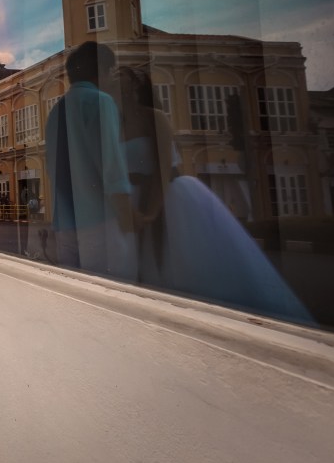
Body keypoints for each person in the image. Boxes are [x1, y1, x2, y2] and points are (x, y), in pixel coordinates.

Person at [112, 66, 312, 322]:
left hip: (168, 198)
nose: (114, 79)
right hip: (132, 200)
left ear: (135, 87)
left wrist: (150, 212)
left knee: (187, 267)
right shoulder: (114, 124)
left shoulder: (155, 118)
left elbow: (163, 169)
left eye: (121, 76)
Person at [45, 41, 136, 279]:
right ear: (102, 71)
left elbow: (51, 168)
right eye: (112, 72)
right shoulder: (101, 102)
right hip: (98, 222)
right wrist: (129, 223)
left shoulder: (55, 111)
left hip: (65, 224)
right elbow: (112, 169)